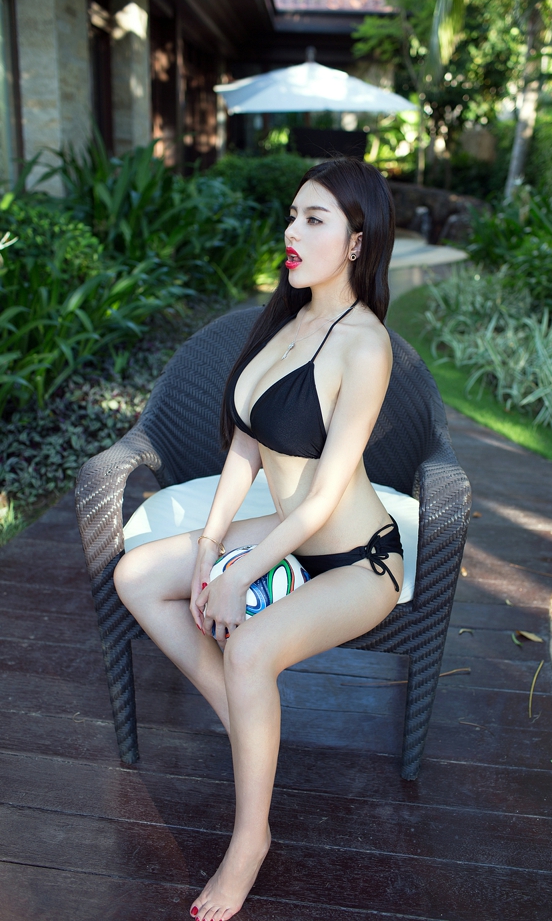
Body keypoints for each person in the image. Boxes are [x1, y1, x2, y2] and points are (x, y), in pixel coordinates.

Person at [114, 157, 404, 921]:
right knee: (137, 576)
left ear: (357, 241)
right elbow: (245, 446)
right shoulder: (285, 320)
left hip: (355, 557)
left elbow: (325, 499)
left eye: (314, 219)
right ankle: (249, 720)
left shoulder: (364, 345)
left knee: (247, 650)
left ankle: (250, 841)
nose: (291, 232)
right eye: (291, 216)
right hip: (287, 529)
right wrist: (209, 547)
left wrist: (241, 577)